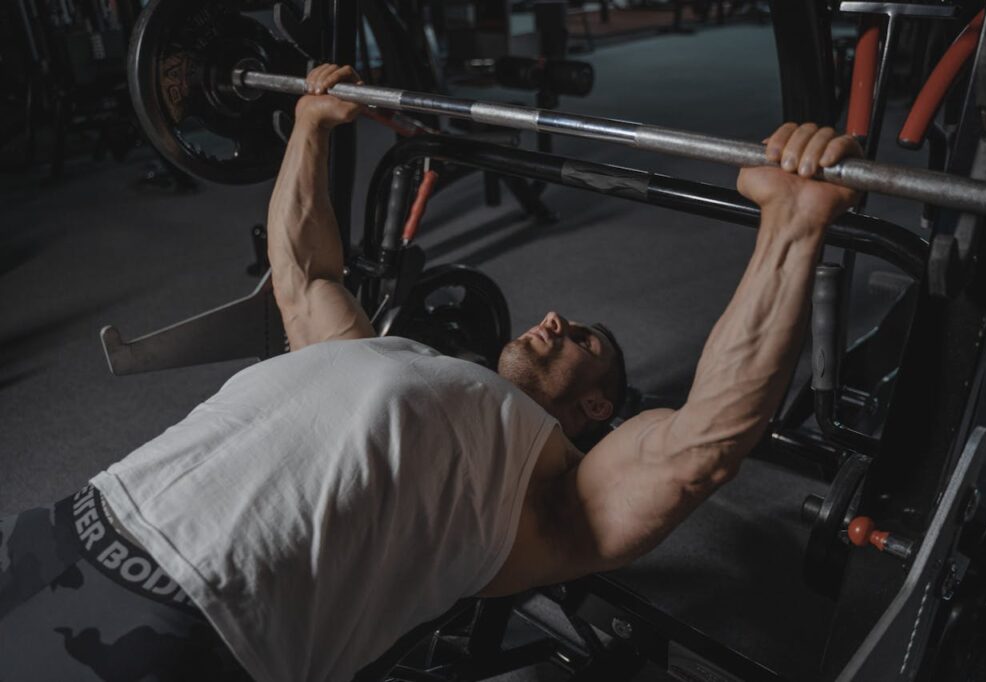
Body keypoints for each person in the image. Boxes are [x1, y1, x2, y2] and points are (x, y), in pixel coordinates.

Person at [0, 64, 862, 682]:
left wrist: (791, 226)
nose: (553, 319)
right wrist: (311, 126)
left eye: (582, 339)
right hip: (72, 522)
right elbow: (303, 274)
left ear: (597, 407)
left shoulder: (549, 499)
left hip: (195, 622)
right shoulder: (373, 351)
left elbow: (702, 448)